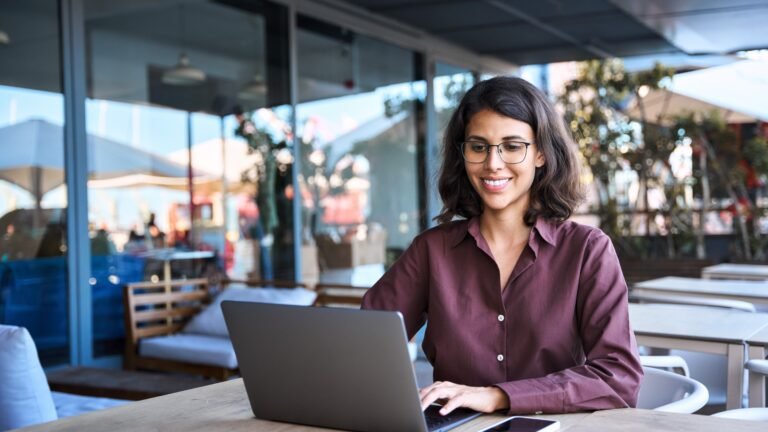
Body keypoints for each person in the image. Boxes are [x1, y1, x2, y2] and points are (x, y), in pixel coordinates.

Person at [361, 76, 642, 416]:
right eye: (479, 146)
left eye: (512, 146)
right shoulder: (431, 251)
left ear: (540, 153)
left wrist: (497, 396)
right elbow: (364, 346)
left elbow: (618, 379)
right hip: (460, 428)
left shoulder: (587, 251)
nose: (493, 163)